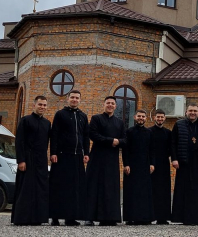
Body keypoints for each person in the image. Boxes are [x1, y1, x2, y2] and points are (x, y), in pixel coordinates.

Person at [49, 90, 90, 226]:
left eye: (77, 98)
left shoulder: (83, 116)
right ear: (67, 99)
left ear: (80, 100)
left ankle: (70, 217)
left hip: (77, 156)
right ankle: (55, 216)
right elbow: (54, 134)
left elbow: (85, 136)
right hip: (62, 156)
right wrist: (53, 152)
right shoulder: (60, 114)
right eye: (72, 97)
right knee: (59, 186)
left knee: (75, 189)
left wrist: (86, 153)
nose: (74, 100)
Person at [84, 96, 126, 226]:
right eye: (108, 103)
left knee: (110, 187)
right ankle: (89, 217)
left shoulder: (120, 122)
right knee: (93, 186)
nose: (110, 105)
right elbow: (93, 135)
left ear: (115, 106)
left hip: (112, 159)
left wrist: (118, 141)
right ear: (104, 104)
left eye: (113, 103)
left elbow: (125, 139)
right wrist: (111, 141)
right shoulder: (96, 119)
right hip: (97, 157)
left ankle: (109, 218)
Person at [11, 96, 52, 226]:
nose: (42, 107)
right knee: (26, 188)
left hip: (41, 160)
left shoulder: (47, 123)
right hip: (27, 158)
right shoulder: (25, 120)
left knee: (40, 188)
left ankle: (38, 218)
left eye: (44, 105)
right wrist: (21, 160)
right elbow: (19, 142)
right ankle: (22, 218)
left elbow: (46, 143)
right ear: (34, 105)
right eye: (40, 104)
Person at [170, 103, 198, 226]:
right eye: (190, 110)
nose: (193, 113)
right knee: (184, 189)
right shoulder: (179, 124)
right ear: (186, 112)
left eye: (195, 111)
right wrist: (174, 159)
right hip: (184, 162)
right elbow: (173, 143)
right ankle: (182, 218)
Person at [122, 110, 156, 225]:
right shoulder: (129, 131)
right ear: (135, 117)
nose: (141, 118)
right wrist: (126, 164)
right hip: (131, 165)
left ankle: (144, 218)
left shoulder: (149, 132)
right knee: (131, 191)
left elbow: (152, 149)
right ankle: (130, 217)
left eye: (143, 116)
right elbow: (125, 149)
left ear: (146, 118)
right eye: (139, 116)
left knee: (144, 192)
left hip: (145, 165)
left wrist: (152, 163)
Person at [149, 109, 173, 225]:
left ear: (165, 118)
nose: (160, 119)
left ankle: (162, 217)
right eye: (158, 117)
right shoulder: (149, 131)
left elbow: (171, 148)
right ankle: (150, 215)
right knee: (151, 189)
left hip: (164, 163)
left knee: (163, 190)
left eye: (162, 117)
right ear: (154, 118)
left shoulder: (168, 133)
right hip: (151, 164)